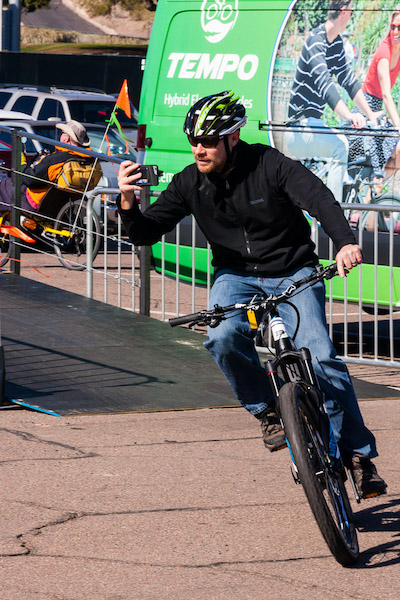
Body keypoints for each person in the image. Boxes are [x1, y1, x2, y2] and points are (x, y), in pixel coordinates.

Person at [117, 90, 387, 499]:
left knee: (322, 356)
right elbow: (142, 232)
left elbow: (320, 199)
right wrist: (126, 200)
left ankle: (359, 456)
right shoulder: (190, 182)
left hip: (294, 270)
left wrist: (346, 242)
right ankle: (267, 411)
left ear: (233, 138)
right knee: (222, 337)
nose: (199, 150)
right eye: (194, 141)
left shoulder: (269, 163)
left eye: (208, 142)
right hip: (236, 277)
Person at [286, 0, 379, 204]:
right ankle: (334, 217)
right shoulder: (315, 41)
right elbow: (325, 85)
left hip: (314, 125)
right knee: (341, 147)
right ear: (344, 11)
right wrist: (350, 115)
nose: (352, 16)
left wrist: (371, 116)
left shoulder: (335, 42)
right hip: (299, 127)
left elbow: (348, 81)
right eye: (352, 12)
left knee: (344, 146)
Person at [350, 5, 400, 184]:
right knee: (358, 168)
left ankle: (372, 201)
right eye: (392, 26)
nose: (395, 31)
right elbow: (386, 95)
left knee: (387, 156)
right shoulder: (384, 52)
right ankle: (364, 202)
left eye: (399, 27)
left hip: (377, 108)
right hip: (366, 106)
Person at [0, 120, 95, 215]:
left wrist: (22, 165)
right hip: (63, 206)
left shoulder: (56, 160)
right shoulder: (89, 160)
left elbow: (29, 180)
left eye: (62, 133)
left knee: (5, 184)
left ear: (66, 138)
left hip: (36, 204)